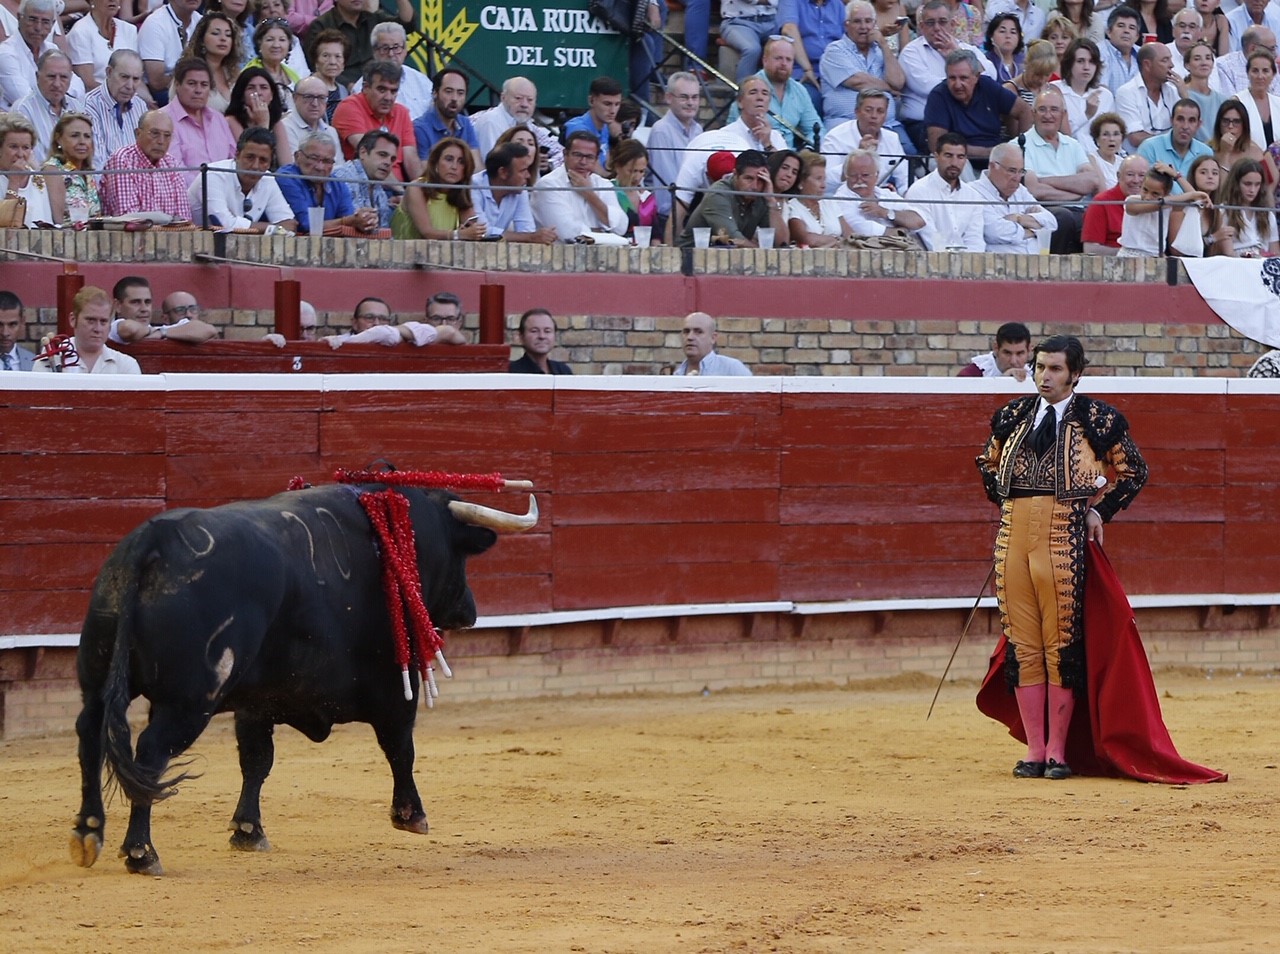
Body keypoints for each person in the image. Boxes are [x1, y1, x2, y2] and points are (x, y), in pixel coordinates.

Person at [975, 334, 1147, 780]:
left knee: (1060, 647)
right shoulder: (1012, 416)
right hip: (1012, 541)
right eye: (1039, 367)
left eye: (1053, 369)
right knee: (1024, 646)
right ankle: (1034, 750)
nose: (1044, 376)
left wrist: (1097, 510)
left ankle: (1057, 751)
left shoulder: (1099, 419)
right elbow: (987, 464)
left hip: (1061, 539)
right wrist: (1009, 505)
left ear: (1075, 374)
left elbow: (1133, 472)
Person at [899, 0, 999, 150]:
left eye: (942, 22)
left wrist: (956, 53)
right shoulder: (911, 52)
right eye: (930, 23)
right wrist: (969, 79)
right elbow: (928, 87)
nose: (937, 28)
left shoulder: (964, 48)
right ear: (921, 26)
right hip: (925, 124)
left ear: (952, 25)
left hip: (967, 122)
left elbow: (991, 75)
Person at [1020, 85, 1099, 254]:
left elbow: (1092, 181)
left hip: (1077, 210)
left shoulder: (1072, 144)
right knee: (1063, 217)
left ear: (1063, 115)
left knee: (1100, 216)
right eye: (1042, 110)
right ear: (1033, 114)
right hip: (1042, 210)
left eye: (1054, 110)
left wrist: (1046, 180)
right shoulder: (1021, 145)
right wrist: (1076, 193)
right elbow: (1035, 190)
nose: (1048, 115)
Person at [924, 48, 1033, 159]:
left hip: (995, 160)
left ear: (976, 76)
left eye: (963, 78)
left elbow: (1025, 111)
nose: (957, 85)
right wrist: (989, 152)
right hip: (960, 160)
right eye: (952, 78)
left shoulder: (987, 86)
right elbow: (937, 146)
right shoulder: (938, 96)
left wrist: (1021, 147)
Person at [819, 0, 906, 132]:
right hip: (845, 124)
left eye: (868, 21)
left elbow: (898, 82)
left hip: (887, 125)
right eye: (857, 21)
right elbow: (858, 82)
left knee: (910, 151)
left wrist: (883, 44)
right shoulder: (834, 51)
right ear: (846, 25)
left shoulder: (880, 51)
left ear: (874, 25)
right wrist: (889, 88)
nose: (864, 27)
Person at [188, 126, 297, 231]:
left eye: (263, 160)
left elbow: (289, 224)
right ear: (237, 155)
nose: (255, 166)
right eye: (250, 157)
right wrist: (274, 228)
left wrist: (274, 227)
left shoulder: (267, 179)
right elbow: (223, 224)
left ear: (269, 164)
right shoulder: (212, 174)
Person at [731, 33, 825, 149]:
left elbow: (816, 129)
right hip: (757, 152)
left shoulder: (799, 90)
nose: (783, 64)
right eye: (778, 58)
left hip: (791, 158)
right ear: (765, 60)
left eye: (788, 59)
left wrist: (807, 151)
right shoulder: (750, 88)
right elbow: (734, 130)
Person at [531, 130, 628, 243]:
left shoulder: (602, 184)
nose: (583, 162)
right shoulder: (548, 185)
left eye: (589, 157)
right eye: (577, 155)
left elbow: (621, 227)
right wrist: (606, 234)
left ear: (596, 159)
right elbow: (569, 234)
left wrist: (590, 195)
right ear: (565, 154)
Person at [331, 59, 419, 181]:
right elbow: (372, 159)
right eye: (382, 90)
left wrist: (424, 193)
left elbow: (411, 160)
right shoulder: (349, 107)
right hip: (363, 187)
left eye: (393, 91)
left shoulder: (402, 112)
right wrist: (401, 192)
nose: (388, 97)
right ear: (366, 87)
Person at [677, 149, 782, 247]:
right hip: (689, 259)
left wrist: (772, 201)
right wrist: (763, 253)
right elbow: (733, 240)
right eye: (748, 178)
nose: (755, 186)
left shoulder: (762, 193)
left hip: (729, 260)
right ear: (735, 174)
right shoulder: (718, 194)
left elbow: (781, 243)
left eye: (760, 180)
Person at [276, 131, 378, 232]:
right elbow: (306, 225)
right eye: (313, 158)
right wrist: (348, 221)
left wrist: (365, 220)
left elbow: (350, 219)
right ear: (297, 156)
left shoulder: (337, 184)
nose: (320, 167)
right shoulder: (286, 178)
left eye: (327, 161)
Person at [100, 108, 191, 218]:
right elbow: (128, 218)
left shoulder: (171, 163)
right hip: (129, 235)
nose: (161, 141)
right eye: (154, 133)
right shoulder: (122, 160)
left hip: (169, 234)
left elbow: (184, 218)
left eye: (167, 135)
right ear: (138, 133)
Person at [303, 0, 416, 88]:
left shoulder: (373, 18)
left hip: (378, 84)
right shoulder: (321, 25)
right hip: (342, 88)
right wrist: (348, 85)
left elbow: (407, 24)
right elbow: (315, 65)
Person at [970, 140, 1058, 252]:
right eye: (1011, 171)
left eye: (1020, 171)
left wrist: (1018, 218)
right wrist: (1034, 230)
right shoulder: (974, 192)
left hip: (1036, 263)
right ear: (992, 166)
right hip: (1000, 265)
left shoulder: (1019, 190)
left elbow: (1051, 223)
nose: (1017, 178)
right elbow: (995, 232)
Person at [391, 136, 483, 241]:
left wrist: (470, 232)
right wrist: (458, 234)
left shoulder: (460, 194)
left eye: (461, 162)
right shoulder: (417, 188)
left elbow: (473, 230)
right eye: (449, 159)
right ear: (435, 162)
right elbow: (427, 233)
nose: (454, 166)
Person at [0, 0, 89, 109]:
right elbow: (25, 100)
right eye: (32, 20)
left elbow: (77, 88)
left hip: (58, 118)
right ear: (19, 17)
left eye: (45, 22)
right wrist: (62, 99)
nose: (38, 27)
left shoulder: (52, 49)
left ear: (53, 24)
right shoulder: (5, 54)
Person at [34, 285, 142, 374]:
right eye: (91, 320)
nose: (98, 329)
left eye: (103, 322)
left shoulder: (126, 366)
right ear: (73, 319)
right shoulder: (50, 359)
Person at [906, 132, 986, 251]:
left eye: (960, 157)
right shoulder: (919, 190)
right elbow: (930, 237)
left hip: (968, 264)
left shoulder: (973, 195)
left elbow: (975, 239)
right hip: (931, 262)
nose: (954, 163)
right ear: (936, 156)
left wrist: (969, 263)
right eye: (948, 156)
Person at [820, 87, 909, 194]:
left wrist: (907, 198)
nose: (874, 116)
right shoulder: (836, 137)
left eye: (880, 111)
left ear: (885, 115)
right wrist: (857, 157)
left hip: (879, 197)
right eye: (868, 110)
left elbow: (905, 177)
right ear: (857, 112)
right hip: (842, 198)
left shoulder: (892, 138)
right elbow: (826, 181)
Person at [645, 71, 702, 238]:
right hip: (669, 217)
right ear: (669, 98)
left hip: (691, 211)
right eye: (684, 97)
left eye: (695, 97)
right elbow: (667, 186)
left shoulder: (697, 130)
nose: (690, 103)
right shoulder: (661, 130)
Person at [165, 58, 239, 183]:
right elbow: (175, 171)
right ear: (177, 85)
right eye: (192, 84)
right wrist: (209, 191)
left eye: (204, 85)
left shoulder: (218, 119)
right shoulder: (164, 119)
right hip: (187, 197)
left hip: (225, 194)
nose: (198, 90)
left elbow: (235, 161)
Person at [469, 140, 556, 244]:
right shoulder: (472, 186)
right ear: (503, 172)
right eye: (523, 170)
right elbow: (482, 232)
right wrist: (531, 237)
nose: (528, 175)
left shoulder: (518, 189)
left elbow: (526, 230)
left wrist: (531, 237)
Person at [1116, 161, 1211, 256]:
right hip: (1130, 255)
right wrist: (1190, 195)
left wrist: (1175, 175)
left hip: (1156, 256)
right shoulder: (1131, 201)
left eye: (1155, 194)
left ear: (1167, 194)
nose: (1148, 197)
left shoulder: (1168, 204)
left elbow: (1197, 199)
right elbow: (1158, 204)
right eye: (1145, 190)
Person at [833, 148, 927, 240]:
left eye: (865, 175)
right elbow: (863, 232)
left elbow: (918, 221)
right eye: (853, 175)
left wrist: (885, 213)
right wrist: (902, 229)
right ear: (846, 175)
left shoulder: (885, 194)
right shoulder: (840, 200)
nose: (859, 180)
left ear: (876, 175)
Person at [470, 75, 563, 167]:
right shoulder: (491, 122)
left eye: (530, 100)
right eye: (518, 98)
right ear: (503, 98)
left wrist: (549, 164)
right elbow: (495, 166)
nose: (524, 104)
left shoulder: (527, 125)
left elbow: (561, 151)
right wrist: (532, 162)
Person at [346, 22, 432, 121]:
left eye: (396, 48)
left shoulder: (421, 81)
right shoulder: (363, 87)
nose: (391, 54)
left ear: (405, 50)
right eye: (385, 48)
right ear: (374, 52)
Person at [12, 50, 84, 164]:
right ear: (37, 77)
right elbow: (31, 162)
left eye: (63, 77)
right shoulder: (22, 110)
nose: (57, 84)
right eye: (51, 76)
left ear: (70, 79)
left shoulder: (78, 107)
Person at [82, 50, 148, 170]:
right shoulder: (89, 106)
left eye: (136, 79)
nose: (129, 86)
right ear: (109, 72)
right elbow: (96, 163)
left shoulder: (140, 105)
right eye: (124, 77)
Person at [324, 295, 464, 348]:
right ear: (354, 322)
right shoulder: (338, 341)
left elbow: (449, 333)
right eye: (369, 318)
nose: (376, 323)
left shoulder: (395, 338)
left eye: (383, 319)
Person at [1114, 40, 1179, 149]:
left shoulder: (1173, 91)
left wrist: (1184, 95)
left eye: (1170, 59)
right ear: (1147, 65)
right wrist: (1174, 142)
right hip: (1139, 162)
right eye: (1165, 60)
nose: (1171, 65)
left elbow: (1188, 127)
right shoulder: (1126, 92)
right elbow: (1136, 137)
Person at [1054, 37, 1113, 152]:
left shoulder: (1105, 96)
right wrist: (1086, 115)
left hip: (1100, 158)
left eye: (1091, 62)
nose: (1086, 67)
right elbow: (1057, 135)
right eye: (1080, 61)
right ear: (1069, 64)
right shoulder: (1055, 91)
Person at [224, 65, 291, 167]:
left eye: (264, 88)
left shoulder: (277, 124)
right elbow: (253, 158)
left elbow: (286, 164)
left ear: (272, 95)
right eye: (251, 88)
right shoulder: (230, 121)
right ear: (242, 95)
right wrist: (263, 124)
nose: (258, 93)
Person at [1081, 152, 1150, 252]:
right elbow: (1090, 249)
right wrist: (1129, 255)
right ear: (1118, 176)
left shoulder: (1153, 204)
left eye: (1141, 175)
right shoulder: (1101, 202)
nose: (1136, 180)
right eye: (1130, 174)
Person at [67, 0, 140, 92]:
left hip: (127, 95)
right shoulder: (80, 32)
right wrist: (119, 94)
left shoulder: (129, 30)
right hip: (95, 99)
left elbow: (136, 77)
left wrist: (148, 101)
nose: (112, 0)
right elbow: (87, 83)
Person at [178, 11, 243, 114]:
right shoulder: (186, 72)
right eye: (215, 33)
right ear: (202, 40)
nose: (223, 39)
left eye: (228, 35)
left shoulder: (234, 73)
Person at [137, 0, 202, 103]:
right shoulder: (155, 23)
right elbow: (156, 83)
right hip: (162, 94)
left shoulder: (201, 21)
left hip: (193, 88)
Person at [411, 67, 479, 164]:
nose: (454, 98)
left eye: (460, 93)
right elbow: (425, 174)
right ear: (435, 93)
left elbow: (476, 167)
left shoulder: (466, 123)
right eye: (448, 91)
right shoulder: (420, 128)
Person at [42, 112, 101, 224]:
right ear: (58, 139)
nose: (82, 142)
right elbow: (57, 222)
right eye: (75, 135)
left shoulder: (87, 174)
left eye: (87, 136)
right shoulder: (53, 170)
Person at [1211, 157, 1277, 256]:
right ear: (1236, 184)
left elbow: (1275, 251)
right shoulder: (1223, 211)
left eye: (1257, 184)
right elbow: (1226, 253)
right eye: (1247, 184)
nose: (1252, 190)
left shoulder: (1268, 214)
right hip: (1236, 264)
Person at [333, 128, 398, 228]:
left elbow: (383, 232)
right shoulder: (343, 176)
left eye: (392, 159)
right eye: (382, 155)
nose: (388, 162)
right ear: (363, 152)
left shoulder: (379, 189)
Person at [1136, 97, 1213, 179]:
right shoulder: (1149, 147)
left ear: (1198, 124)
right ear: (1171, 121)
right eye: (1180, 119)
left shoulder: (1206, 152)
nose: (1185, 126)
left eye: (1191, 120)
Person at [1167, 153, 1228, 255]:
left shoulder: (1217, 210)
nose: (1210, 177)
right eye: (1203, 172)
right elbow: (1176, 250)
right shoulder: (1181, 207)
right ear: (1193, 175)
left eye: (1215, 173)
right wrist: (1211, 239)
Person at [0, 112, 53, 227]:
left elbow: (47, 223)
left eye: (25, 148)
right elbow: (5, 227)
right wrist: (13, 182)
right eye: (13, 146)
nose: (20, 154)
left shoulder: (37, 178)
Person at [563, 75, 624, 172]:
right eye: (607, 104)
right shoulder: (577, 128)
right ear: (591, 101)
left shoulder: (605, 126)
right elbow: (593, 170)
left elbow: (607, 166)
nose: (613, 111)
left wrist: (618, 139)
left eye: (617, 104)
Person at [786, 149, 845, 247]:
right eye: (818, 179)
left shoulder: (830, 204)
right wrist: (837, 240)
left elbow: (849, 236)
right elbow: (807, 240)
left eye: (824, 179)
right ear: (801, 182)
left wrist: (831, 241)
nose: (823, 185)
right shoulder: (792, 207)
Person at [674, 311, 752, 376]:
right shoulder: (677, 374)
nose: (690, 337)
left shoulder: (732, 369)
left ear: (713, 338)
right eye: (686, 332)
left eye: (698, 332)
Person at [281, 74, 341, 157]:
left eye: (321, 98)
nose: (315, 104)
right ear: (295, 98)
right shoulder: (284, 127)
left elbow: (339, 166)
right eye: (308, 97)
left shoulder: (331, 132)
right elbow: (293, 165)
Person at [720, 0, 779, 82]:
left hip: (771, 21)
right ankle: (744, 90)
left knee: (785, 46)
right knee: (752, 49)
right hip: (737, 22)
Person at [1232, 48, 1280, 151]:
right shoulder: (1237, 102)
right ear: (1247, 73)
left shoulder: (1278, 103)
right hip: (1248, 162)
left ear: (1273, 74)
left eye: (1265, 71)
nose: (1260, 76)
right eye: (1255, 71)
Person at [609, 138, 655, 240]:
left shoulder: (647, 197)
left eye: (641, 171)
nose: (637, 177)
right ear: (618, 167)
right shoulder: (607, 191)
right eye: (632, 171)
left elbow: (656, 235)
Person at [1181, 40, 1226, 143]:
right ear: (1187, 65)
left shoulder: (1222, 100)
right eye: (1197, 59)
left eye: (1208, 58)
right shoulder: (1179, 94)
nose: (1204, 63)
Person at [508, 308, 572, 374]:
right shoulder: (511, 372)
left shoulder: (563, 371)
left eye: (547, 331)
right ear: (521, 337)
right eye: (534, 331)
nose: (542, 336)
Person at [958, 321, 1032, 377]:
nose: (1013, 361)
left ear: (1029, 350)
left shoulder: (1036, 375)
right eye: (1007, 353)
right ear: (996, 348)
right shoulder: (973, 374)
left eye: (1020, 354)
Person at [1209, 98, 1264, 173]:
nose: (1230, 126)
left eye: (1236, 121)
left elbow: (1267, 182)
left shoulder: (1255, 152)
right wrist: (1225, 153)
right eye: (1225, 121)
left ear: (1244, 125)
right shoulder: (1207, 150)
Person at [307, 27, 348, 121]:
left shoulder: (343, 91)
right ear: (316, 60)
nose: (332, 62)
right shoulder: (306, 88)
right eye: (326, 56)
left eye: (338, 56)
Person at [1098, 5, 1141, 94]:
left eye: (1132, 27)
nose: (1126, 31)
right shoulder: (1099, 52)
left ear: (1137, 36)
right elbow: (1102, 92)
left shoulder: (1143, 54)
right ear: (1109, 32)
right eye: (1121, 26)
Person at [984, 12, 1026, 86]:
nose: (1008, 36)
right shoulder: (985, 62)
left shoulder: (1025, 61)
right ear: (991, 36)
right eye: (1002, 31)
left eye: (1013, 32)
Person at [1088, 111, 1127, 188]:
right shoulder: (1091, 160)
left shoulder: (1124, 162)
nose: (1112, 139)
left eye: (1116, 134)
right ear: (1097, 139)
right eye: (1106, 134)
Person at [0, 290, 37, 371]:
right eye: (0, 325)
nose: (5, 333)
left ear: (22, 322)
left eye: (12, 324)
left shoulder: (35, 363)